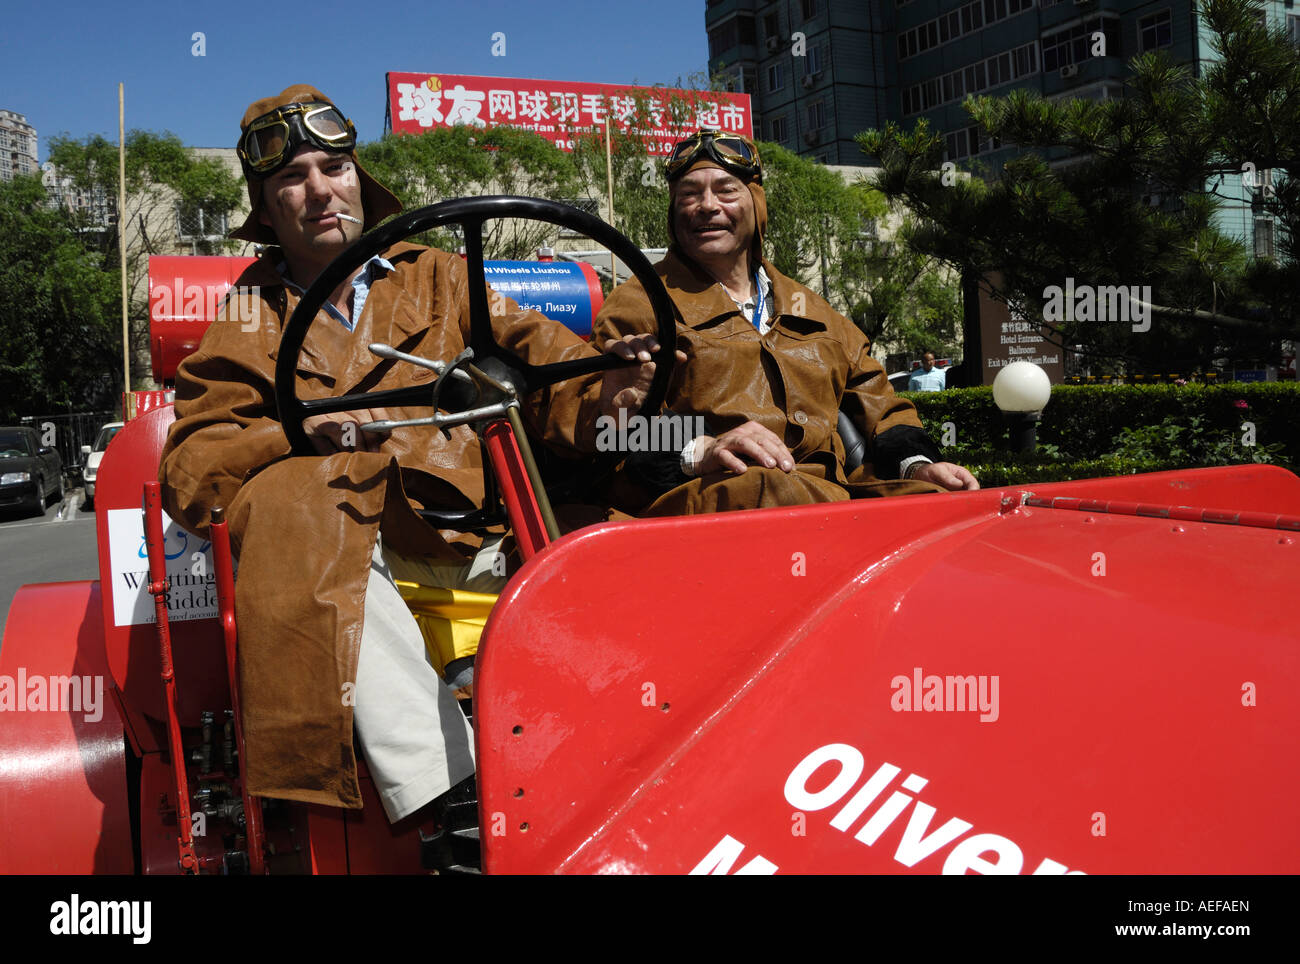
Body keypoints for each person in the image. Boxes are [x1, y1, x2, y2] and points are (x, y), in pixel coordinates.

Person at [159, 85, 660, 823]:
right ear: (265, 210)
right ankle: (451, 791)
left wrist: (612, 391)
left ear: (360, 179)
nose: (319, 190)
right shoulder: (245, 318)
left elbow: (556, 378)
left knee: (656, 518)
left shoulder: (443, 276)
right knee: (299, 495)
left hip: (486, 537)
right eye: (291, 178)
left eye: (333, 167)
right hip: (355, 549)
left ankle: (664, 766)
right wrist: (296, 435)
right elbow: (192, 476)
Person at [591, 130, 977, 515]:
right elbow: (604, 427)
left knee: (949, 508)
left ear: (756, 204)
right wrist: (701, 450)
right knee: (765, 488)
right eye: (689, 194)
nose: (706, 205)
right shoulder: (641, 303)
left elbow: (882, 404)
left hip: (830, 503)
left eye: (726, 190)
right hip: (708, 508)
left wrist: (920, 466)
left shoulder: (812, 309)